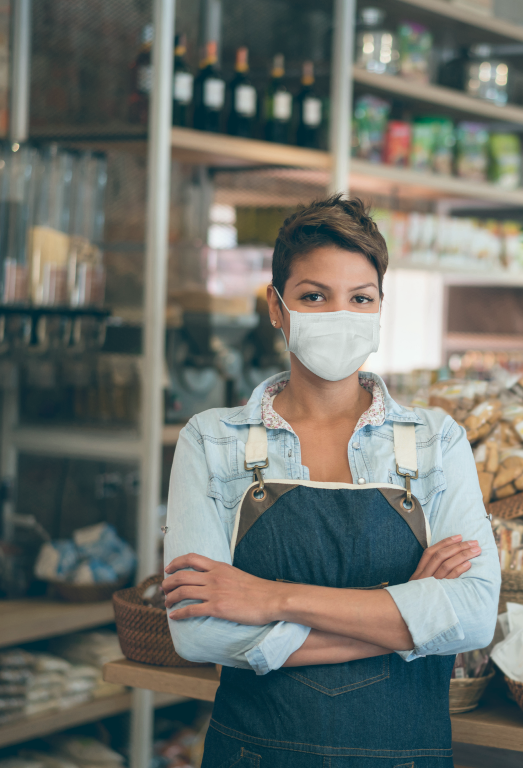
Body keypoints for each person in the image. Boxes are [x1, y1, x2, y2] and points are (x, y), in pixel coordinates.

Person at [161, 195, 500, 768]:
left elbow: (470, 616)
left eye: (359, 298)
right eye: (314, 295)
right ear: (277, 306)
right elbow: (199, 633)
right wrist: (405, 620)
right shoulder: (211, 439)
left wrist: (270, 597)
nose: (338, 314)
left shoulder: (435, 440)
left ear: (378, 310)